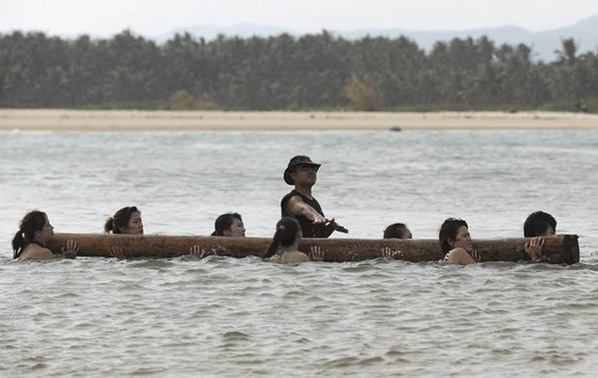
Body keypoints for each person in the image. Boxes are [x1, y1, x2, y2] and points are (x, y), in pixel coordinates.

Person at [280, 155, 347, 238]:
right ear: (293, 175)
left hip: (309, 249)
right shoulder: (292, 199)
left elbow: (318, 237)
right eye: (305, 169)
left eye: (313, 169)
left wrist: (331, 227)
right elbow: (303, 208)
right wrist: (314, 215)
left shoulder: (313, 201)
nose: (311, 171)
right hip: (294, 250)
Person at [12, 210, 79, 260]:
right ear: (37, 232)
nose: (52, 227)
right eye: (48, 225)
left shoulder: (24, 250)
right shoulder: (43, 253)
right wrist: (70, 259)